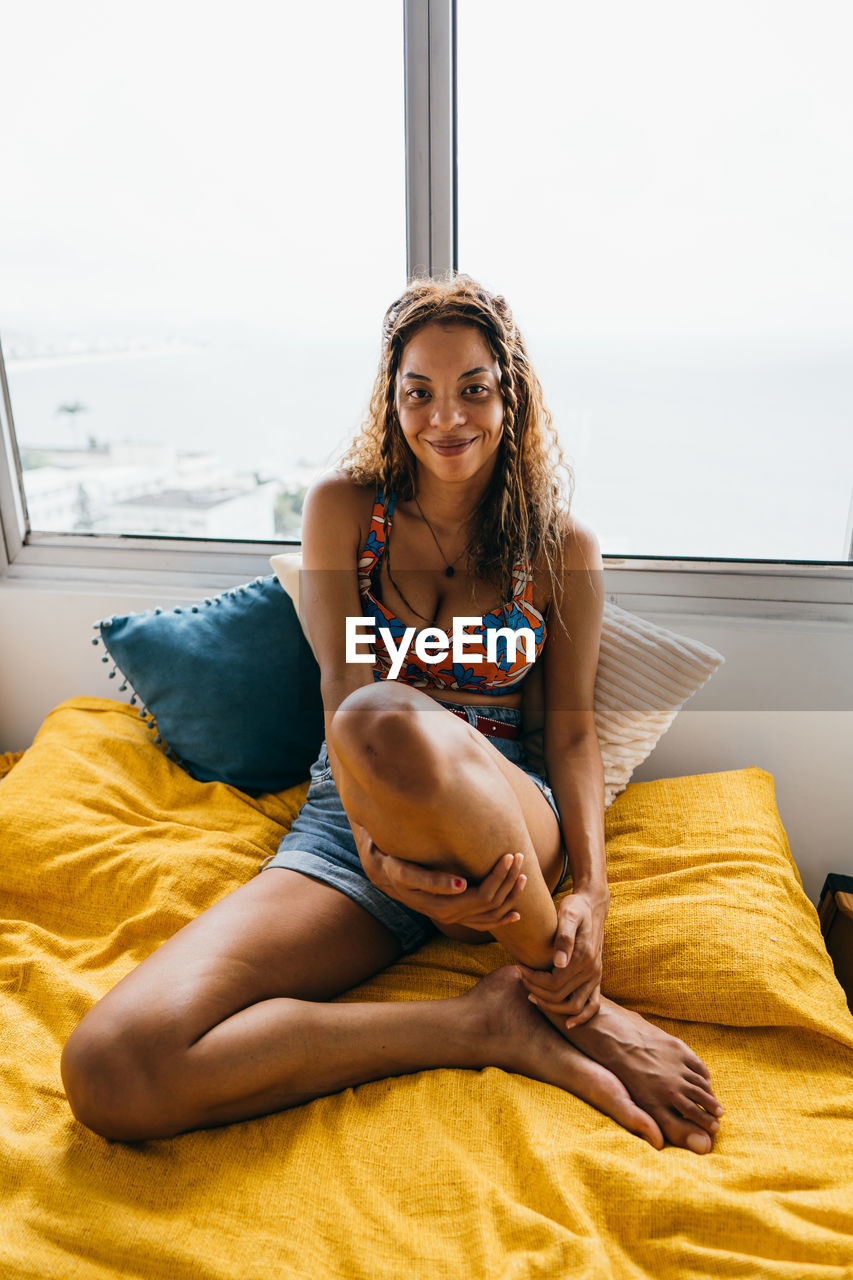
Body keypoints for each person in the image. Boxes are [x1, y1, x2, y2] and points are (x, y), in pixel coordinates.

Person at [60, 276, 722, 1153]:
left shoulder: (560, 548)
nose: (446, 417)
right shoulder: (342, 509)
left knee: (390, 720)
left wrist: (591, 895)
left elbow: (566, 735)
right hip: (356, 830)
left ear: (508, 395)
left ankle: (571, 1001)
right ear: (393, 398)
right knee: (110, 1067)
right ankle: (482, 1024)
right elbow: (342, 694)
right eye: (420, 392)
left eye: (473, 389)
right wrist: (375, 846)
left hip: (504, 821)